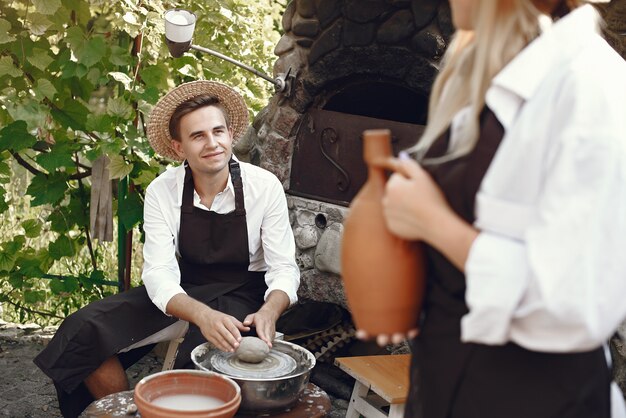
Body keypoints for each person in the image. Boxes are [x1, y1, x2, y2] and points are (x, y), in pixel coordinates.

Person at [366, 0, 626, 417]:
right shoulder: (484, 73)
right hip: (442, 386)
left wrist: (434, 223)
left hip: (533, 401)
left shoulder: (590, 82)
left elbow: (574, 306)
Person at [34, 80, 300, 418]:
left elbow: (284, 269)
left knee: (198, 376)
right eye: (198, 136)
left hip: (243, 293)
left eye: (218, 131)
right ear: (178, 148)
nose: (213, 143)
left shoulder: (264, 187)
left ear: (231, 133)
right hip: (183, 289)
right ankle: (130, 411)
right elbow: (159, 272)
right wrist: (200, 314)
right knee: (81, 334)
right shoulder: (163, 190)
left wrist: (269, 311)